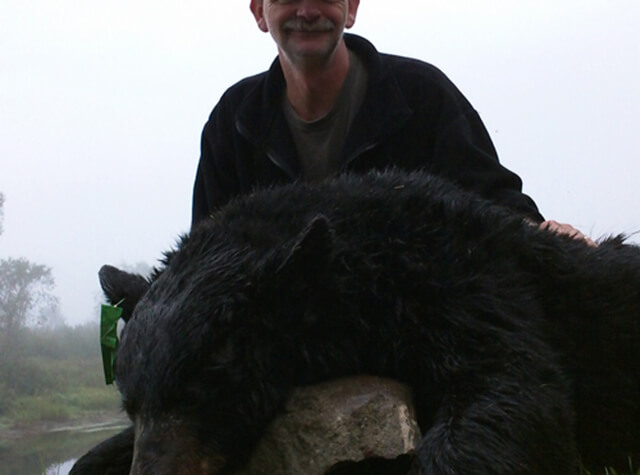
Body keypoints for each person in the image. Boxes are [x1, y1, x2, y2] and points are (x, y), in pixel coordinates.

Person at [191, 0, 594, 245]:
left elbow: (492, 204)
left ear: (352, 9)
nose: (308, 11)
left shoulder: (423, 97)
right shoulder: (233, 120)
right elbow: (204, 252)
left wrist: (542, 234)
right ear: (259, 13)